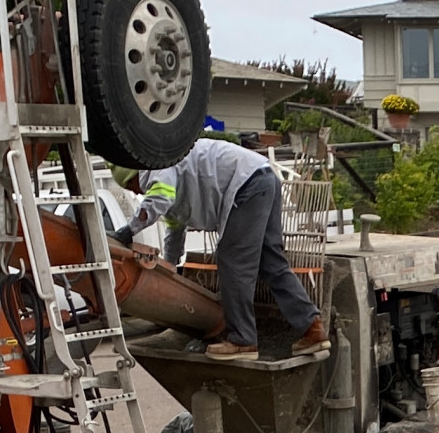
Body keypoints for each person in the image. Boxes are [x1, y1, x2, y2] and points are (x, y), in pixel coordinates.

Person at [130, 141, 325, 363]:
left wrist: (129, 230)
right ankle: (312, 328)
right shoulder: (172, 172)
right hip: (263, 176)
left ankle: (243, 339)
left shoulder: (158, 163)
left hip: (246, 183)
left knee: (233, 261)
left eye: (130, 185)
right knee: (271, 262)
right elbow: (174, 232)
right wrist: (169, 268)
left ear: (133, 173)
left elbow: (159, 198)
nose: (135, 191)